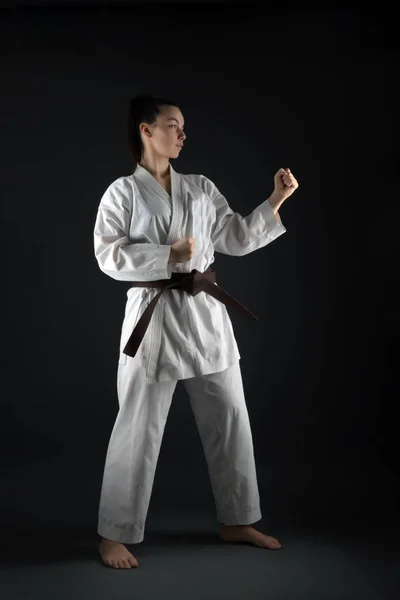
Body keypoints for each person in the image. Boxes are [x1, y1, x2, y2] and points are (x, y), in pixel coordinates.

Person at [93, 94, 299, 569]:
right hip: (155, 316)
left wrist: (276, 199)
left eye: (183, 127)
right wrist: (168, 256)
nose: (182, 134)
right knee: (137, 428)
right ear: (146, 131)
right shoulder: (122, 194)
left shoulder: (202, 188)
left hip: (205, 317)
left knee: (230, 416)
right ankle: (114, 534)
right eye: (172, 125)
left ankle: (238, 519)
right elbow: (108, 255)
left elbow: (236, 238)